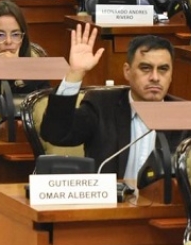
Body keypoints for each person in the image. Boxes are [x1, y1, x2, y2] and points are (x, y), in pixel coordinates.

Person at [40, 24, 183, 177]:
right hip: (110, 193)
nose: (155, 77)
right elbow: (56, 134)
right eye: (145, 68)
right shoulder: (102, 105)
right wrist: (75, 73)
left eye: (163, 69)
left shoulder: (185, 116)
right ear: (127, 71)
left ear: (171, 74)